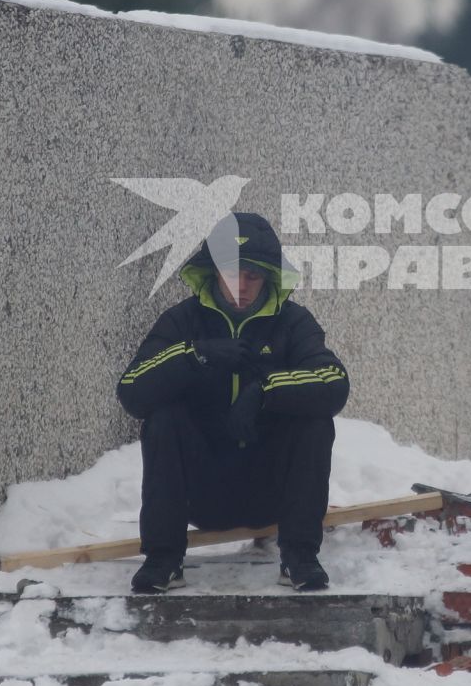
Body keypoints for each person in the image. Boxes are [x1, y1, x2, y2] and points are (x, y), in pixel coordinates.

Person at [116, 213, 350, 594]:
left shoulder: (292, 323)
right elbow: (131, 390)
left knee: (315, 422)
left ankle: (300, 556)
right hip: (201, 494)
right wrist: (195, 356)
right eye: (232, 273)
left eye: (253, 276)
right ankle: (163, 559)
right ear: (213, 271)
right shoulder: (183, 320)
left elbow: (335, 383)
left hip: (271, 492)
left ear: (269, 278)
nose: (241, 285)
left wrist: (265, 391)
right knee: (162, 419)